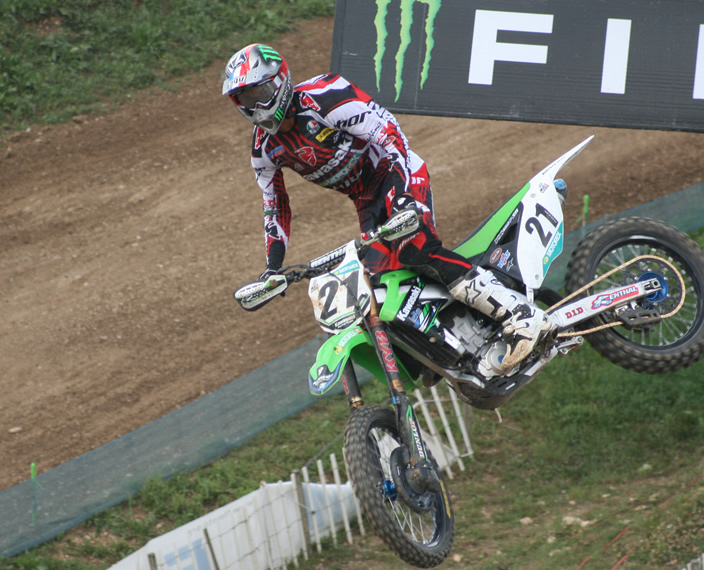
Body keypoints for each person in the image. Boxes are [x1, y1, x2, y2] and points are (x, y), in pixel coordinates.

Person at [222, 43, 555, 372]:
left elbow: (389, 134)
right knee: (381, 288)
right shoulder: (264, 149)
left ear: (280, 81)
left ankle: (520, 314)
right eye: (245, 100)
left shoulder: (325, 96)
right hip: (366, 201)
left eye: (259, 93)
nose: (255, 106)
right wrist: (273, 267)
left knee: (415, 250)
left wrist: (403, 197)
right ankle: (448, 346)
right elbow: (275, 206)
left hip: (398, 171)